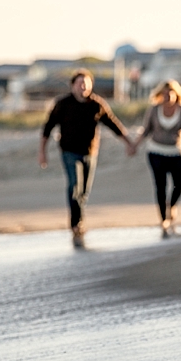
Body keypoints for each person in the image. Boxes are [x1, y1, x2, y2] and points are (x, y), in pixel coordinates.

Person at [39, 69, 133, 248]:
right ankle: (75, 223)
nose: (83, 87)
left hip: (90, 153)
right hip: (69, 152)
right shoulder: (62, 104)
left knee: (84, 191)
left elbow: (113, 124)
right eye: (80, 83)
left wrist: (129, 142)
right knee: (75, 185)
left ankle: (79, 220)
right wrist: (42, 152)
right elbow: (47, 128)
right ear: (72, 85)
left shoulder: (96, 104)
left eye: (87, 84)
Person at [129, 79, 181, 238]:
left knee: (179, 185)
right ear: (160, 95)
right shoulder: (154, 110)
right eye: (164, 94)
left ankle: (171, 206)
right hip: (156, 152)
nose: (167, 97)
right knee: (160, 186)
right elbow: (146, 130)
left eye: (170, 94)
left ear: (176, 95)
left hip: (177, 152)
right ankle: (164, 220)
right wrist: (134, 145)